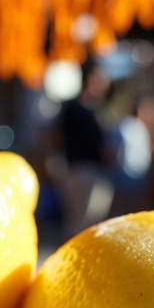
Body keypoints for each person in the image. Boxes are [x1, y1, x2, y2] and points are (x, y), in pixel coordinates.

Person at [57, 59, 115, 237]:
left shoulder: (98, 109)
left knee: (83, 223)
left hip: (85, 169)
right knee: (86, 223)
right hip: (82, 170)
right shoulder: (79, 109)